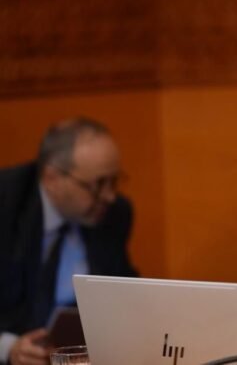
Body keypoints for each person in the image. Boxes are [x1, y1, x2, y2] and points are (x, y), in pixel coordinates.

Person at [0, 117, 138, 365]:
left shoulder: (115, 214)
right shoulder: (6, 204)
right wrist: (9, 348)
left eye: (114, 181)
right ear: (51, 179)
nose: (109, 196)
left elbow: (124, 294)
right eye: (98, 184)